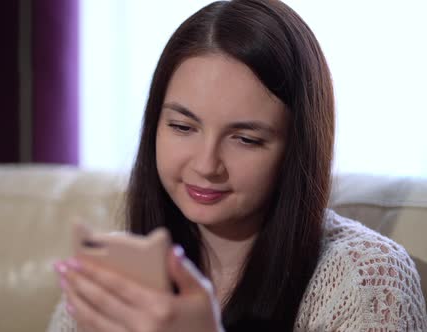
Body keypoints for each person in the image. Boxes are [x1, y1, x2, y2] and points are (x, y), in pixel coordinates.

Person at [46, 0, 427, 331]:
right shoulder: (113, 273)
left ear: (297, 147)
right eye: (182, 127)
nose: (207, 164)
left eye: (245, 139)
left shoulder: (365, 278)